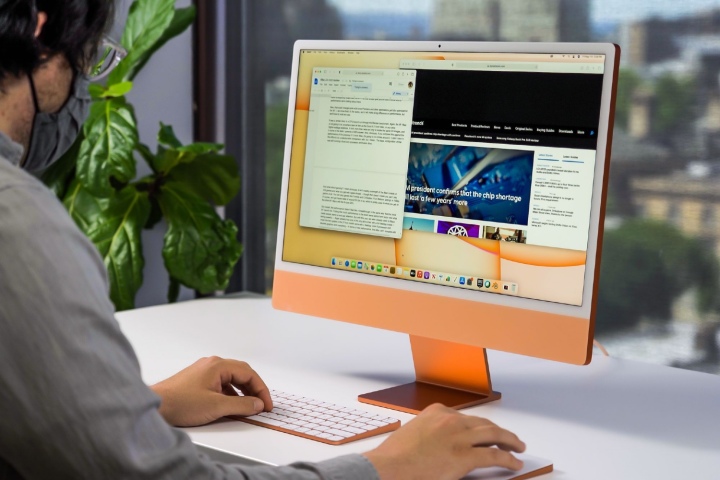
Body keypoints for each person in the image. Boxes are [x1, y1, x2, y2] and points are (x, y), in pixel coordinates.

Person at [0, 1, 526, 478]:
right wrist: (388, 467)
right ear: (43, 31)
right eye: (89, 59)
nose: (84, 87)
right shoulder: (18, 221)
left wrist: (144, 407)